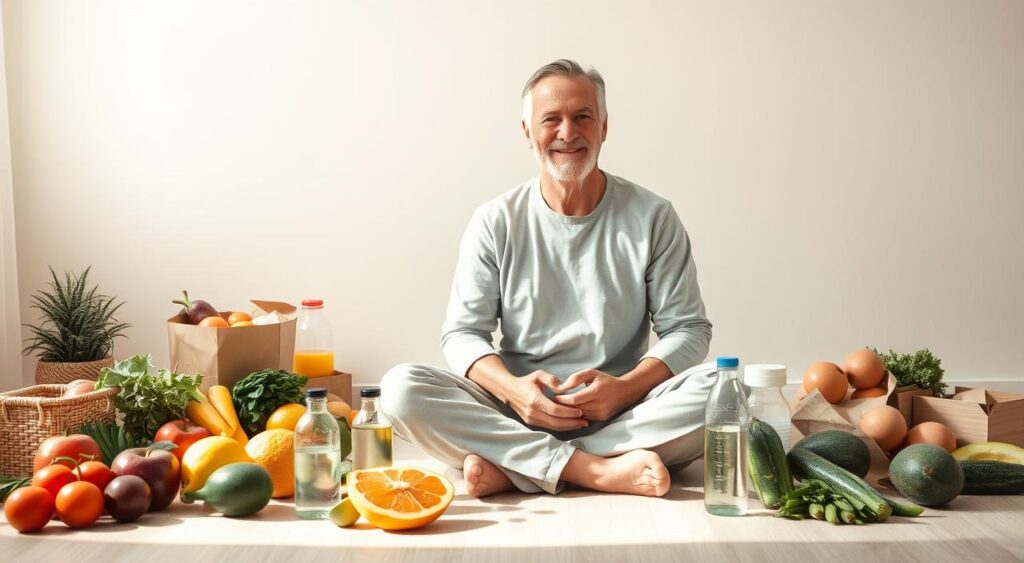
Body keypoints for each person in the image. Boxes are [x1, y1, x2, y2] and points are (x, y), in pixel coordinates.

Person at [381, 59, 715, 498]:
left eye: (582, 117)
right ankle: (595, 470)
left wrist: (624, 389)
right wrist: (515, 392)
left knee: (730, 393)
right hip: (515, 411)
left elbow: (688, 328)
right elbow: (463, 334)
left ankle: (518, 466)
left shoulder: (653, 217)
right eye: (550, 120)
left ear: (604, 128)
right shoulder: (495, 221)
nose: (567, 133)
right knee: (400, 390)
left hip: (624, 411)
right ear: (527, 131)